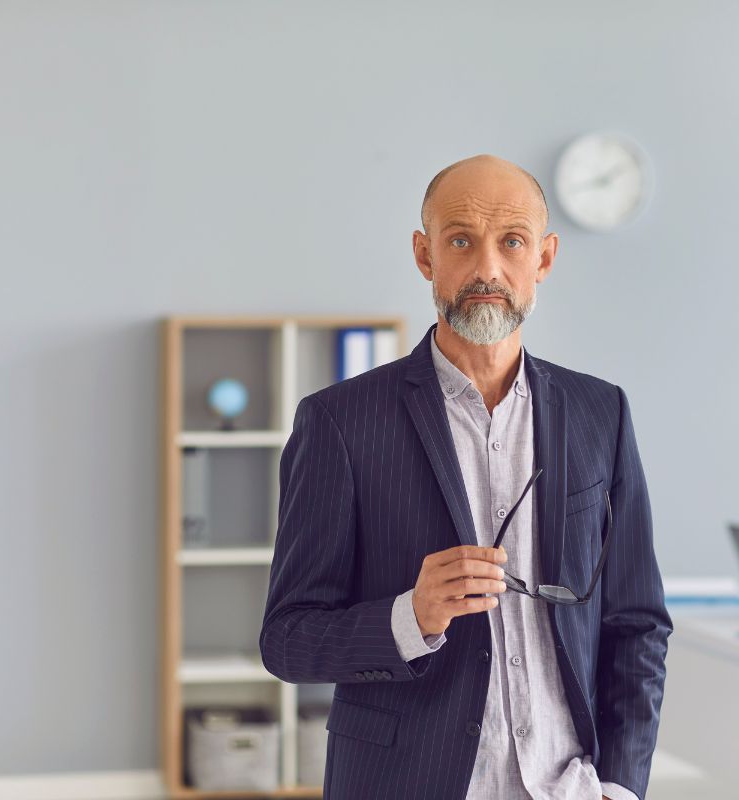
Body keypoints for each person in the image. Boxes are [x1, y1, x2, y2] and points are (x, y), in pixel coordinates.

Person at [259, 154, 671, 800]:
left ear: (544, 259)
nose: (486, 269)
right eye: (460, 240)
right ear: (425, 256)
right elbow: (287, 640)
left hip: (572, 788)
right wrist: (410, 617)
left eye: (512, 242)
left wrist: (620, 786)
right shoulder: (338, 423)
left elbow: (638, 624)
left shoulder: (603, 414)